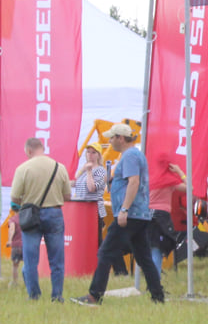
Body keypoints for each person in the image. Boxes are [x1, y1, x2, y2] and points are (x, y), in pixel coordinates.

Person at [74, 124, 166, 306]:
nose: (109, 141)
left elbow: (133, 182)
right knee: (144, 257)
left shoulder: (130, 155)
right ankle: (158, 296)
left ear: (121, 138)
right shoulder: (133, 155)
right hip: (139, 215)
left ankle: (94, 296)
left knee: (105, 252)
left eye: (111, 138)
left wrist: (124, 209)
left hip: (129, 215)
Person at [8, 138, 72, 302]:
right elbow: (67, 196)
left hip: (31, 216)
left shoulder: (23, 168)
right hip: (54, 214)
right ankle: (57, 295)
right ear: (42, 148)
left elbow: (14, 197)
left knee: (30, 259)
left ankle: (34, 296)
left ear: (29, 151)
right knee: (57, 259)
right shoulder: (60, 167)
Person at [148, 159, 186, 275]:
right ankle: (155, 281)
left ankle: (152, 278)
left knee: (152, 247)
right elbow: (190, 188)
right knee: (158, 248)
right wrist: (180, 172)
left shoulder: (149, 176)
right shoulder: (169, 180)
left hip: (147, 213)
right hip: (161, 216)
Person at [72, 143, 109, 219]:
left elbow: (92, 188)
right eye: (88, 152)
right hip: (82, 208)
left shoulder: (100, 170)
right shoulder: (84, 171)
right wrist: (82, 170)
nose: (90, 154)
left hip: (94, 210)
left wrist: (89, 171)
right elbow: (73, 183)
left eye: (93, 152)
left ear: (98, 155)